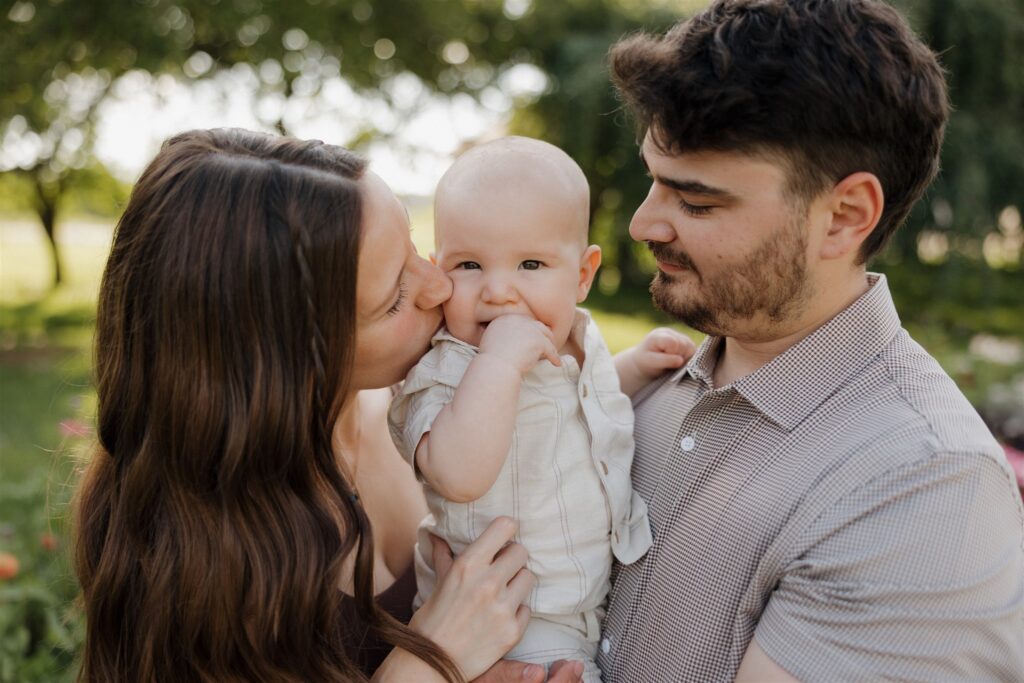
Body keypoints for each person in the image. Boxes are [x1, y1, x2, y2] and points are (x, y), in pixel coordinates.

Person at [586, 0, 1024, 680]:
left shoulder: (924, 487)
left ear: (845, 216)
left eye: (696, 201)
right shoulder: (648, 385)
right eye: (653, 181)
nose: (645, 223)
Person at [73, 128, 584, 683]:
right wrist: (430, 662)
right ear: (286, 362)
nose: (438, 285)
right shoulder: (189, 562)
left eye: (415, 247)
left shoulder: (434, 404)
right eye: (394, 299)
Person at [387, 136, 695, 682]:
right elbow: (457, 474)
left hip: (586, 606)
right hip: (510, 622)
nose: (499, 290)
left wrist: (631, 368)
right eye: (469, 265)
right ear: (439, 267)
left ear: (581, 274)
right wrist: (499, 366)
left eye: (530, 263)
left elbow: (569, 405)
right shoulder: (445, 370)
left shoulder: (574, 338)